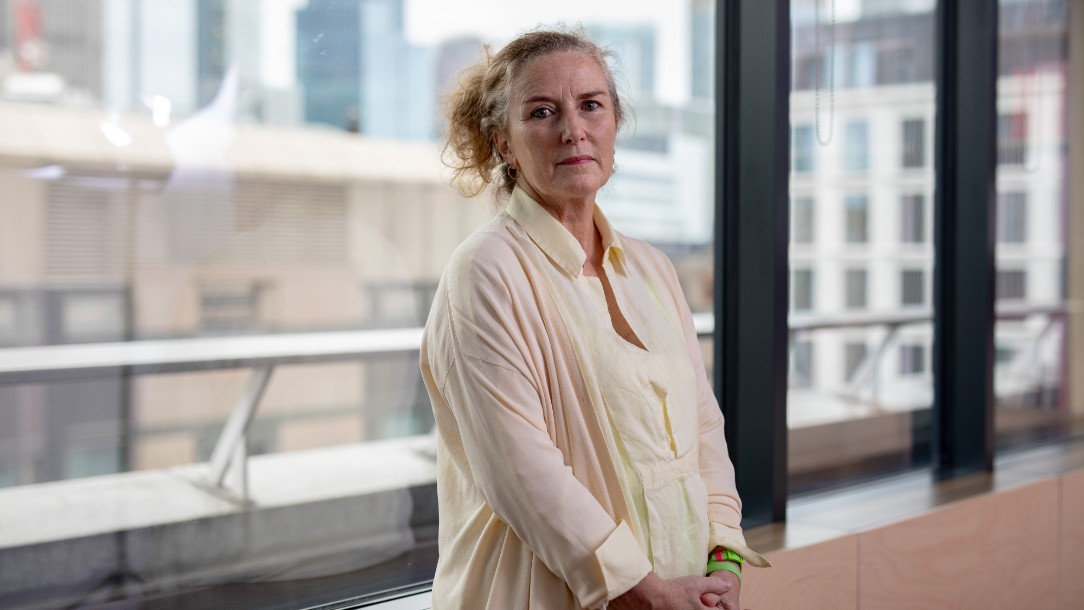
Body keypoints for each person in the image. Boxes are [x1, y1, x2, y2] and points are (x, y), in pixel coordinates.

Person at [420, 27, 769, 610]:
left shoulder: (653, 269)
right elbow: (525, 476)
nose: (572, 129)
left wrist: (725, 558)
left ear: (614, 123)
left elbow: (704, 431)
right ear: (504, 143)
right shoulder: (485, 271)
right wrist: (645, 592)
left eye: (590, 105)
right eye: (541, 111)